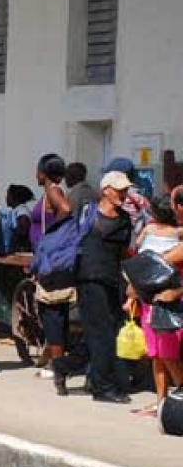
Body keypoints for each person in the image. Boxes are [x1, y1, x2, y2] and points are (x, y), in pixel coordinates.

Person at [75, 172, 133, 403]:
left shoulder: (124, 220)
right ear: (106, 190)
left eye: (126, 190)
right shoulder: (87, 213)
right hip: (89, 278)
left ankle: (70, 369)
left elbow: (125, 254)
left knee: (104, 333)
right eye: (119, 190)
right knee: (101, 334)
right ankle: (102, 387)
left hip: (112, 281)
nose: (124, 194)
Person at [129, 195, 183, 413]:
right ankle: (161, 402)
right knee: (156, 354)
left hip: (171, 301)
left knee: (169, 355)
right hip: (151, 299)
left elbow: (163, 259)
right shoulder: (159, 232)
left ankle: (179, 399)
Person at [29, 154, 71, 249]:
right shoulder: (50, 192)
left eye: (37, 171)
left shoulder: (53, 190)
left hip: (48, 251)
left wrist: (51, 232)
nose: (36, 175)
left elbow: (66, 209)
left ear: (43, 173)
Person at [5, 185, 37, 254]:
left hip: (22, 251)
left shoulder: (21, 211)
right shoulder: (18, 210)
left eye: (8, 195)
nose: (6, 198)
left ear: (15, 197)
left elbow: (23, 231)